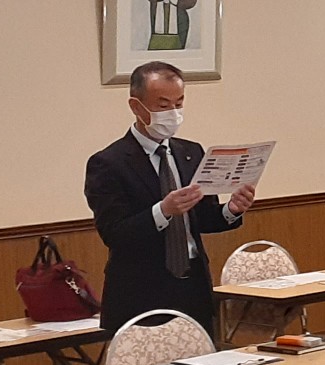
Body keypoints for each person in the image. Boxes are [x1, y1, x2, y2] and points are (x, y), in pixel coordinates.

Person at [84, 60, 254, 334]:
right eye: (163, 106)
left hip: (193, 285)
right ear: (136, 107)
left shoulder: (191, 152)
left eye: (179, 103)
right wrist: (163, 211)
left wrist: (231, 210)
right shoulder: (108, 163)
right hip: (140, 292)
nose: (173, 113)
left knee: (204, 359)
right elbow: (114, 233)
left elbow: (202, 217)